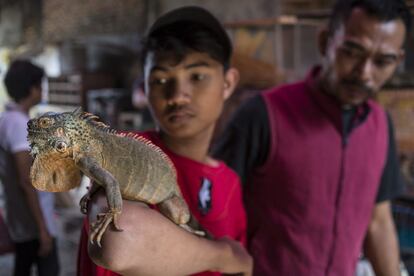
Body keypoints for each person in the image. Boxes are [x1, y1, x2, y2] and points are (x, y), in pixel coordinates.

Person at [213, 0, 410, 275]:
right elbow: (213, 212)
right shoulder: (262, 115)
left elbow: (378, 221)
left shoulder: (380, 125)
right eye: (352, 52)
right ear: (325, 41)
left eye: (382, 61)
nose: (365, 73)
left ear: (398, 61)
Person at [77, 6, 252, 276]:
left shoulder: (230, 183)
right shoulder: (124, 150)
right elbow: (119, 243)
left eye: (197, 76)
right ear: (144, 87)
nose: (178, 95)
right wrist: (223, 255)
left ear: (228, 83)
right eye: (160, 79)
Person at [0, 60, 60, 276]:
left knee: (22, 267)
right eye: (40, 85)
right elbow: (26, 180)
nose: (42, 90)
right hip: (33, 224)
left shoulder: (7, 119)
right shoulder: (17, 124)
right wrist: (43, 229)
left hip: (23, 221)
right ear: (32, 88)